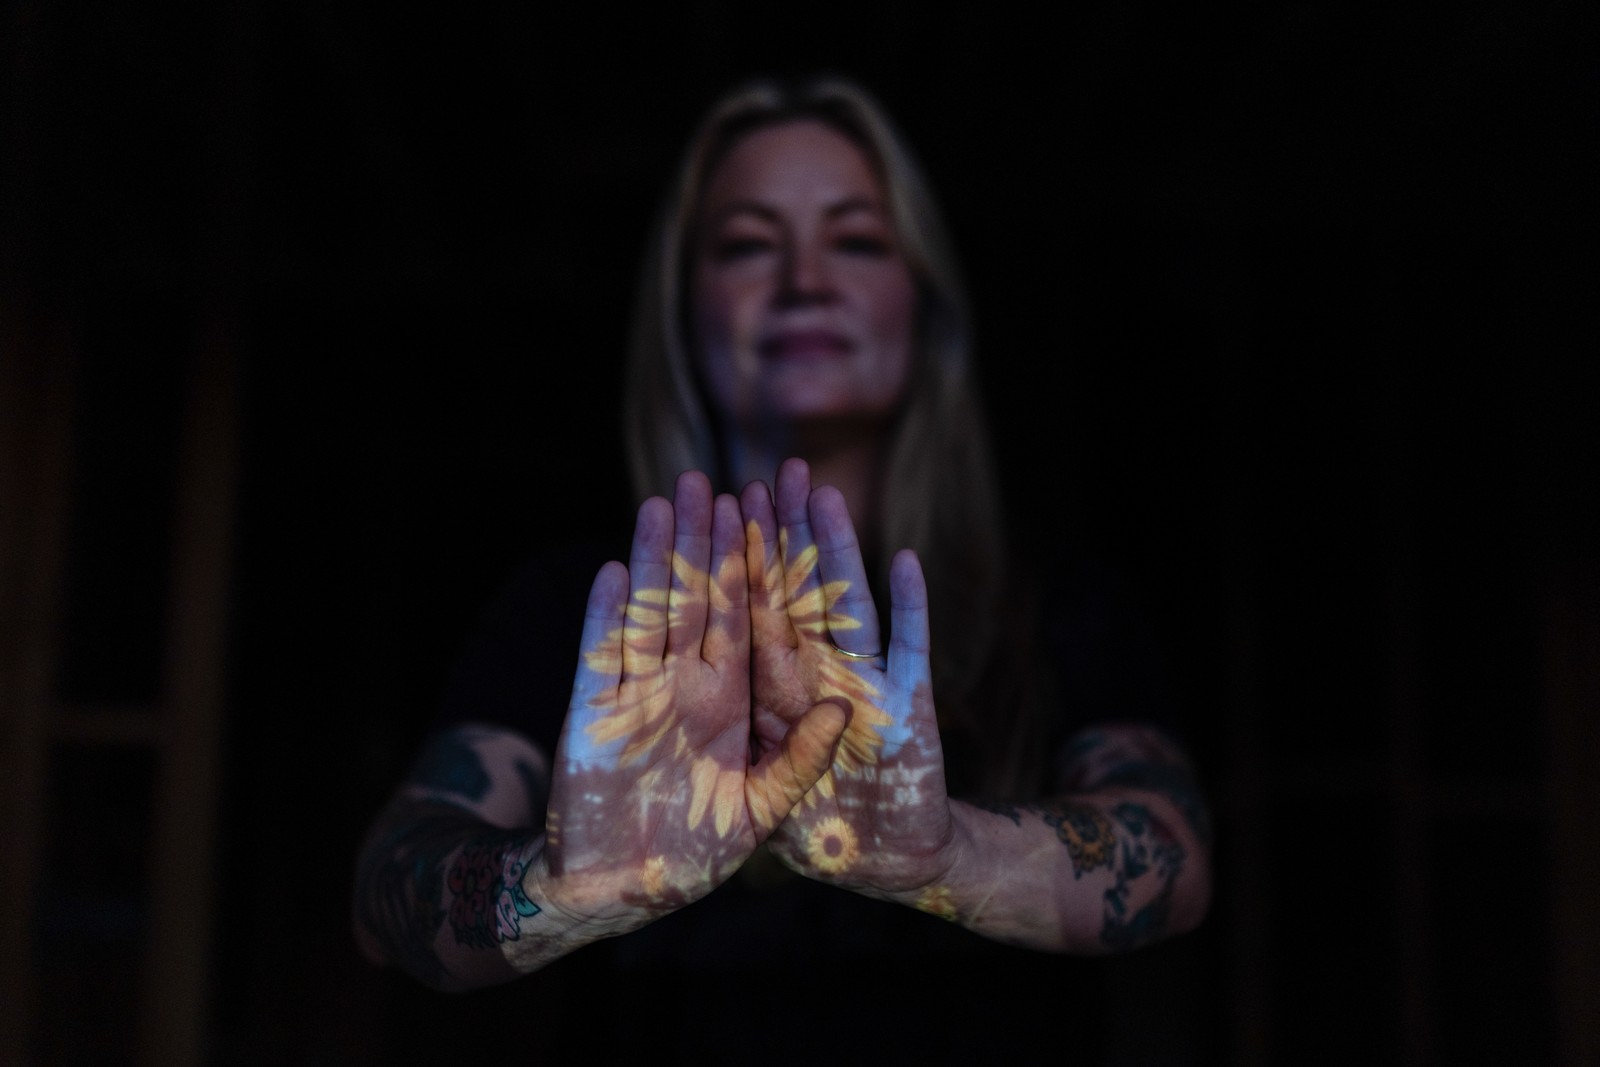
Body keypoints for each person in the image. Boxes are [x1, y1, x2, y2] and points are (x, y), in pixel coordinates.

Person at [353, 76, 1212, 1054]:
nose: (806, 278)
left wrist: (946, 854)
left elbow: (1173, 856)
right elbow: (389, 887)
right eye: (749, 243)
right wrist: (555, 890)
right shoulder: (578, 610)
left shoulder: (1058, 606)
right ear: (685, 313)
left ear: (922, 305)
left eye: (855, 238)